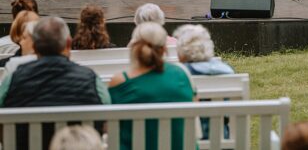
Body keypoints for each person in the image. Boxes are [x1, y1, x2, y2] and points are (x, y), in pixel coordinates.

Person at [0, 16, 110, 149]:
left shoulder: (14, 78)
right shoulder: (90, 79)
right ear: (68, 43)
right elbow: (107, 115)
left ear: (34, 46)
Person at [108, 22, 195, 150]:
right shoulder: (182, 74)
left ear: (133, 48)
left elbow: (109, 127)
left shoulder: (120, 82)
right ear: (164, 48)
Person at [173, 24, 234, 140]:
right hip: (223, 139)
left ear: (182, 52)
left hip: (188, 141)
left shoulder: (179, 74)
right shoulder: (228, 71)